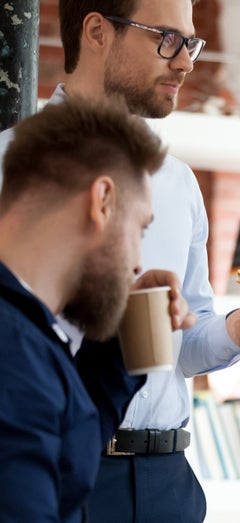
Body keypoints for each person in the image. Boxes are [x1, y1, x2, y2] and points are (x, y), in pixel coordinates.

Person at [0, 1, 240, 521]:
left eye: (192, 43)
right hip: (56, 461)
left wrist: (236, 331)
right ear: (96, 31)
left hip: (168, 478)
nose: (186, 62)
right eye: (166, 38)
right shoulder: (6, 166)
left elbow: (176, 348)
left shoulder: (178, 183)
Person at [0, 97, 164, 522]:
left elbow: (68, 450)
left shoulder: (29, 337)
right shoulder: (13, 352)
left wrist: (131, 329)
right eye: (139, 229)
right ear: (103, 201)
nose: (137, 262)